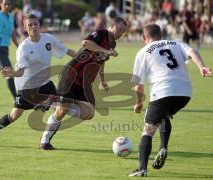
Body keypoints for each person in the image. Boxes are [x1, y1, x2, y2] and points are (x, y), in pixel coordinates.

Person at [0, 14, 77, 146]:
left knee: (61, 107)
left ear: (39, 25)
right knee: (14, 116)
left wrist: (85, 57)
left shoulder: (48, 39)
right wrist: (12, 72)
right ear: (25, 27)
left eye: (36, 24)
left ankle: (45, 140)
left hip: (45, 84)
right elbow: (20, 72)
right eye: (30, 25)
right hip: (26, 87)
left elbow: (67, 51)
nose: (34, 27)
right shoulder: (23, 48)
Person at [129, 23, 212, 177]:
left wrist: (138, 102)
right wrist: (202, 67)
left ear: (143, 38)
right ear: (161, 35)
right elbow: (192, 51)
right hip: (184, 93)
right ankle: (163, 147)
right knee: (164, 115)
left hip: (162, 91)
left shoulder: (142, 52)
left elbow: (138, 84)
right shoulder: (176, 43)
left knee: (148, 130)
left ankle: (141, 170)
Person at [39, 17, 128, 150]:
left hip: (83, 82)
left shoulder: (112, 44)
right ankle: (44, 141)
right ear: (112, 25)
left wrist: (103, 80)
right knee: (62, 110)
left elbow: (102, 61)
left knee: (89, 112)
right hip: (70, 74)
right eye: (119, 29)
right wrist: (105, 51)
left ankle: (54, 101)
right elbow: (85, 42)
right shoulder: (102, 33)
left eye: (123, 32)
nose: (120, 33)